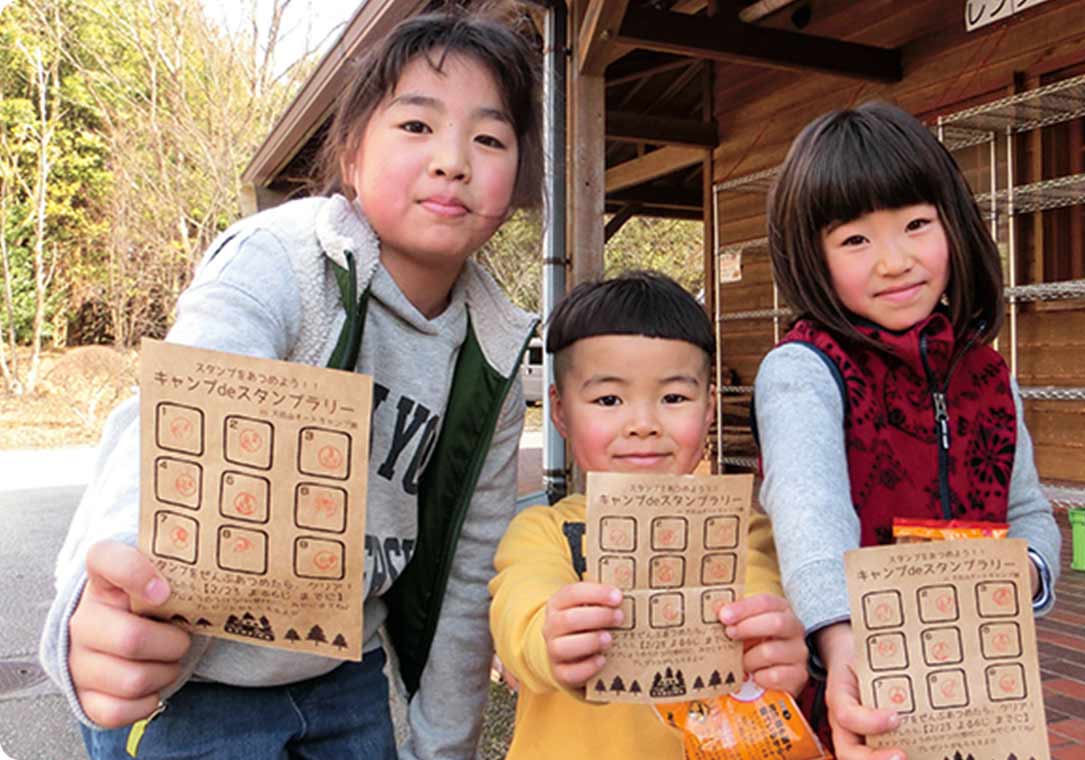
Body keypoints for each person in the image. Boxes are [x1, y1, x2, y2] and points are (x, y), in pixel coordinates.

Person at [39, 11, 542, 759]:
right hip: (198, 690)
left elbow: (469, 576)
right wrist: (99, 609)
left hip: (346, 678)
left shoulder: (494, 348)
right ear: (350, 153)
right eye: (415, 126)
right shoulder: (281, 260)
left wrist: (442, 750)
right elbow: (168, 425)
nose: (453, 161)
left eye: (490, 138)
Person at [754, 101, 1062, 760]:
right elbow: (810, 513)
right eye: (855, 239)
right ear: (813, 257)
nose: (894, 261)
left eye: (916, 224)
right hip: (849, 686)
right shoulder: (803, 371)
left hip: (974, 686)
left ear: (955, 224)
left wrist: (1024, 574)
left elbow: (1028, 509)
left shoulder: (989, 375)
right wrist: (840, 642)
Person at [489, 271, 810, 760]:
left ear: (708, 410)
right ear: (559, 411)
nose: (643, 424)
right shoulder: (544, 531)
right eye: (609, 400)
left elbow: (756, 590)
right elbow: (520, 604)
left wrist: (772, 650)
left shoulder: (741, 528)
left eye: (674, 398)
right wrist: (547, 639)